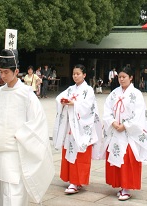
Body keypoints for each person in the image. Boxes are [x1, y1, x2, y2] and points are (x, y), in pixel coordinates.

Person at [0, 49, 54, 205]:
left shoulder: (26, 93)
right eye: (0, 72)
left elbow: (38, 121)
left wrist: (21, 135)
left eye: (6, 72)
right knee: (0, 192)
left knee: (13, 191)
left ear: (16, 71)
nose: (2, 76)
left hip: (16, 149)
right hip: (0, 147)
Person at [102, 66, 147, 201]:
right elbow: (107, 109)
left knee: (128, 159)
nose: (121, 79)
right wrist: (112, 122)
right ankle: (120, 185)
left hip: (129, 133)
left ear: (131, 78)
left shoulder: (136, 94)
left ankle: (127, 187)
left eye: (124, 77)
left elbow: (139, 114)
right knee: (116, 156)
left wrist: (125, 125)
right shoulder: (114, 93)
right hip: (115, 130)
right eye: (119, 77)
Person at [53, 64, 102, 194]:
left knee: (80, 154)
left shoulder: (88, 90)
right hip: (70, 126)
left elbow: (88, 107)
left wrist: (74, 104)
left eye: (78, 74)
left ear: (84, 75)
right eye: (74, 73)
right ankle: (72, 180)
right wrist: (62, 101)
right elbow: (59, 98)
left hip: (81, 126)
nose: (75, 76)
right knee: (69, 150)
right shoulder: (70, 89)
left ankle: (77, 181)